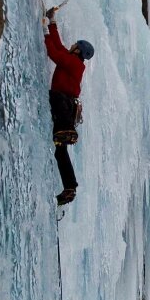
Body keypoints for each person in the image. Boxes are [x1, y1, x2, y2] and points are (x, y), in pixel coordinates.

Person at [43, 16, 94, 206]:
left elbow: (54, 53)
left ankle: (67, 131)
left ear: (78, 50)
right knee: (60, 150)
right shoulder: (72, 60)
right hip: (67, 107)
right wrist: (52, 23)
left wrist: (45, 31)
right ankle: (70, 187)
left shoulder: (74, 63)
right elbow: (59, 47)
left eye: (75, 44)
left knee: (60, 140)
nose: (72, 44)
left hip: (64, 105)